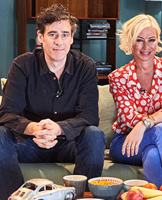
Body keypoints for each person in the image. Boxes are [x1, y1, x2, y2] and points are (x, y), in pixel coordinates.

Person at [0, 4, 106, 199]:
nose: (59, 41)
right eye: (53, 34)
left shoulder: (85, 66)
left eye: (65, 35)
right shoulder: (23, 65)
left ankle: (80, 197)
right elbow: (7, 114)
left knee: (94, 135)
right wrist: (34, 128)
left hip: (68, 144)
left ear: (72, 38)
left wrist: (58, 129)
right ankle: (15, 197)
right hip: (29, 144)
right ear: (41, 37)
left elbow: (89, 116)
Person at [108, 14, 162, 188]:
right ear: (130, 42)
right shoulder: (118, 77)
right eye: (140, 40)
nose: (146, 47)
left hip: (156, 140)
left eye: (151, 40)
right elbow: (128, 118)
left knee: (153, 153)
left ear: (157, 42)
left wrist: (144, 124)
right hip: (126, 142)